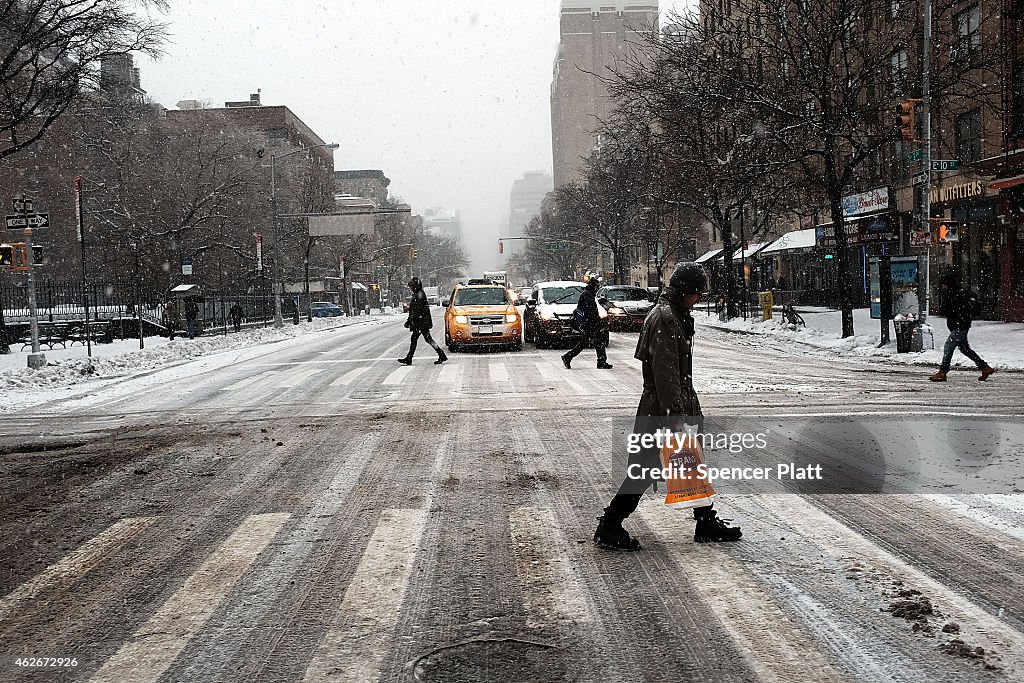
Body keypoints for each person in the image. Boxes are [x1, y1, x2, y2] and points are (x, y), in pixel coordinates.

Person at [594, 261, 742, 551]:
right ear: (685, 291)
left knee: (689, 464)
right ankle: (610, 525)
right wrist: (675, 417)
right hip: (663, 409)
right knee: (646, 469)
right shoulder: (666, 319)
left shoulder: (673, 313)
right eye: (697, 293)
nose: (699, 298)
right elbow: (666, 374)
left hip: (668, 405)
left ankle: (705, 520)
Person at [930, 266, 995, 382]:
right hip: (960, 325)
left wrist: (949, 310)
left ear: (947, 284)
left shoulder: (955, 295)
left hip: (960, 326)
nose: (942, 287)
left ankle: (943, 372)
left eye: (944, 285)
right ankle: (984, 367)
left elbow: (947, 310)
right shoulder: (959, 293)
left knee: (948, 346)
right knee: (965, 349)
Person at [562, 272, 612, 370]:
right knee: (599, 342)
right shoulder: (588, 295)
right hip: (590, 323)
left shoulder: (587, 294)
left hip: (587, 323)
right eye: (597, 286)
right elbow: (591, 311)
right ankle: (601, 362)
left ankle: (568, 356)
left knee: (584, 342)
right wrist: (596, 322)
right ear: (593, 286)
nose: (598, 288)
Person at [398, 277, 447, 365]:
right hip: (420, 322)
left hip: (421, 322)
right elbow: (414, 310)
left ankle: (441, 354)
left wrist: (410, 320)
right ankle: (410, 358)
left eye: (412, 286)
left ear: (415, 286)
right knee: (421, 339)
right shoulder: (418, 294)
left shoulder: (419, 295)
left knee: (424, 339)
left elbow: (416, 310)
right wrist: (410, 320)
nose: (411, 288)